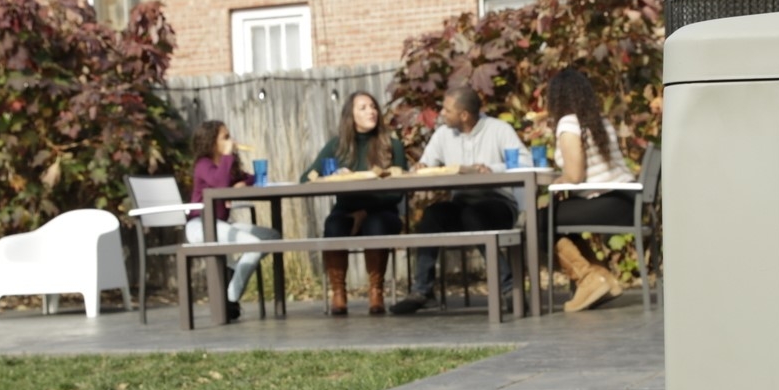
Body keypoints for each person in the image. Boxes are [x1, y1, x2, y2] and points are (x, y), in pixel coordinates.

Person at [389, 85, 528, 315]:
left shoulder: (499, 129)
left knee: (473, 216)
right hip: (462, 203)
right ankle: (422, 291)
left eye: (447, 110)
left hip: (498, 203)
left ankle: (509, 289)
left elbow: (524, 161)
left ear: (464, 115)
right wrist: (421, 167)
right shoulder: (443, 134)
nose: (442, 114)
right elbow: (426, 164)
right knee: (432, 216)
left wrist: (492, 168)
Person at [304, 91, 411, 316]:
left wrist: (365, 211)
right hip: (346, 211)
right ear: (350, 116)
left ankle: (376, 293)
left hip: (383, 212)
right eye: (363, 108)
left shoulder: (392, 145)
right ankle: (338, 294)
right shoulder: (337, 146)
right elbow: (306, 179)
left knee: (376, 226)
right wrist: (333, 174)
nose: (371, 111)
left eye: (373, 106)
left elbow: (399, 191)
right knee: (333, 226)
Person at [539, 68, 636, 312]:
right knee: (554, 217)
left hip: (607, 202)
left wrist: (560, 180)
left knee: (540, 221)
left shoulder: (569, 124)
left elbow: (575, 174)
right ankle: (604, 278)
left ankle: (588, 278)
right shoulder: (597, 120)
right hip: (626, 200)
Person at [185, 119, 281, 321]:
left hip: (220, 225)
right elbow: (219, 184)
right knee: (254, 246)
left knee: (272, 236)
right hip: (200, 226)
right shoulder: (203, 165)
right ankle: (229, 298)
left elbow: (252, 178)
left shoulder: (227, 165)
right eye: (225, 137)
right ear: (212, 142)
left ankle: (231, 273)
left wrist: (240, 183)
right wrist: (228, 156)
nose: (232, 140)